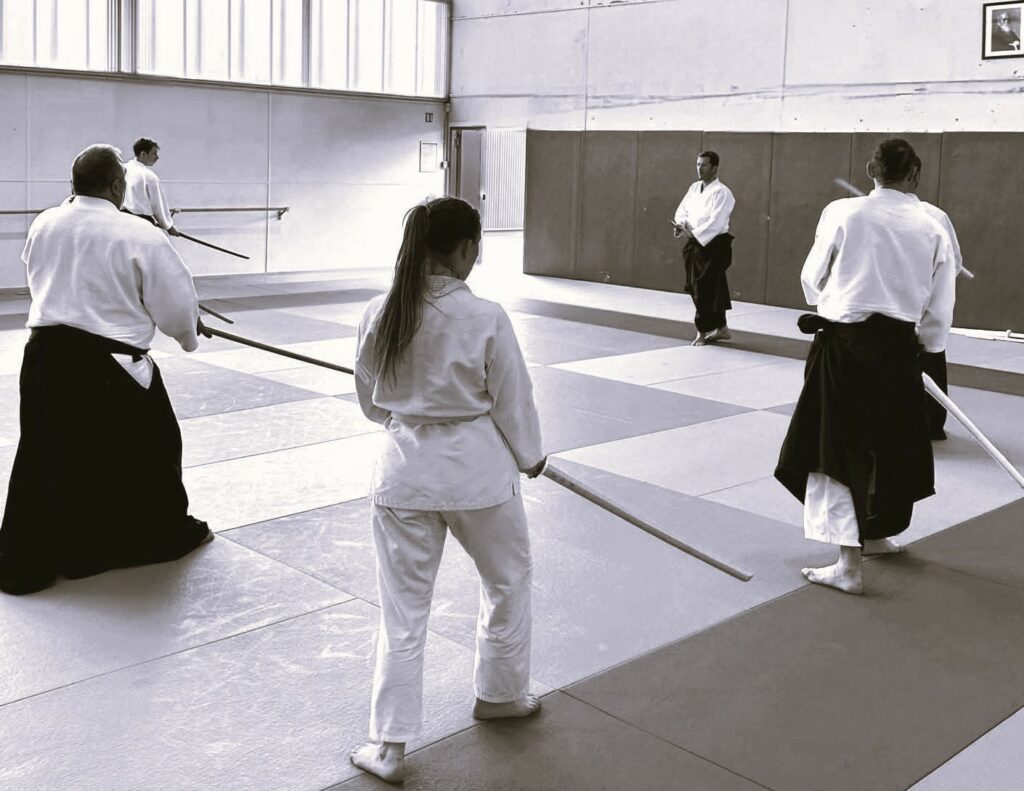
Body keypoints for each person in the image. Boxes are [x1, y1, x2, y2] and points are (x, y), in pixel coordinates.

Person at [350, 196, 546, 783]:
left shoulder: (378, 311)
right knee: (508, 579)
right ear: (467, 249)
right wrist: (532, 458)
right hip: (479, 477)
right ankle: (500, 694)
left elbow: (370, 402)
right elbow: (514, 402)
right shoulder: (486, 316)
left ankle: (388, 748)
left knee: (403, 612)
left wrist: (413, 419)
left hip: (403, 473)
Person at [0, 144, 212, 595]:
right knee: (152, 446)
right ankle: (120, 541)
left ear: (73, 184)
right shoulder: (139, 234)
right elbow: (175, 304)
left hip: (43, 358)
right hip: (108, 367)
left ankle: (54, 547)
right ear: (118, 186)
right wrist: (188, 332)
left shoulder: (45, 222)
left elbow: (39, 277)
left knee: (51, 450)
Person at [774, 138, 957, 595]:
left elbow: (810, 278)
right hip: (899, 349)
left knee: (836, 448)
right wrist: (926, 343)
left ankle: (849, 563)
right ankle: (874, 532)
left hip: (844, 346)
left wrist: (836, 303)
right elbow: (940, 307)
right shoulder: (933, 224)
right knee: (888, 444)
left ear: (872, 169)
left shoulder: (842, 212)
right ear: (914, 174)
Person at [910, 189, 969, 441]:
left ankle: (930, 422)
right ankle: (929, 423)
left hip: (902, 311)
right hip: (919, 308)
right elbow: (952, 263)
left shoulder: (849, 213)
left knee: (929, 353)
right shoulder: (934, 215)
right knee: (929, 353)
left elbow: (952, 262)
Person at [672, 150, 736, 346]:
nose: (699, 168)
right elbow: (683, 210)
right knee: (710, 288)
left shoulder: (722, 192)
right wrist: (680, 225)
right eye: (698, 164)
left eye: (704, 165)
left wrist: (694, 233)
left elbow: (716, 222)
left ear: (714, 168)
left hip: (714, 245)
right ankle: (722, 328)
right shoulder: (694, 188)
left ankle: (702, 331)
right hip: (695, 243)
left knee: (703, 288)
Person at [122, 137, 180, 235]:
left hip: (121, 222)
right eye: (154, 153)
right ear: (143, 154)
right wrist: (169, 226)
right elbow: (157, 206)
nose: (157, 157)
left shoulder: (121, 169)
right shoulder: (149, 176)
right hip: (141, 226)